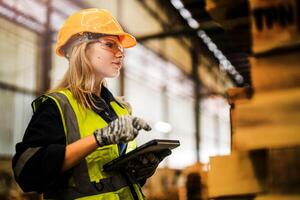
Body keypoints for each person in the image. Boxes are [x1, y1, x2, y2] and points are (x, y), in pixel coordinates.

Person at [12, 8, 170, 200]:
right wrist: (98, 139)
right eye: (110, 45)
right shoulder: (58, 106)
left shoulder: (120, 109)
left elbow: (112, 176)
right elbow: (27, 174)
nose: (120, 54)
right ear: (81, 47)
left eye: (121, 49)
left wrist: (140, 170)